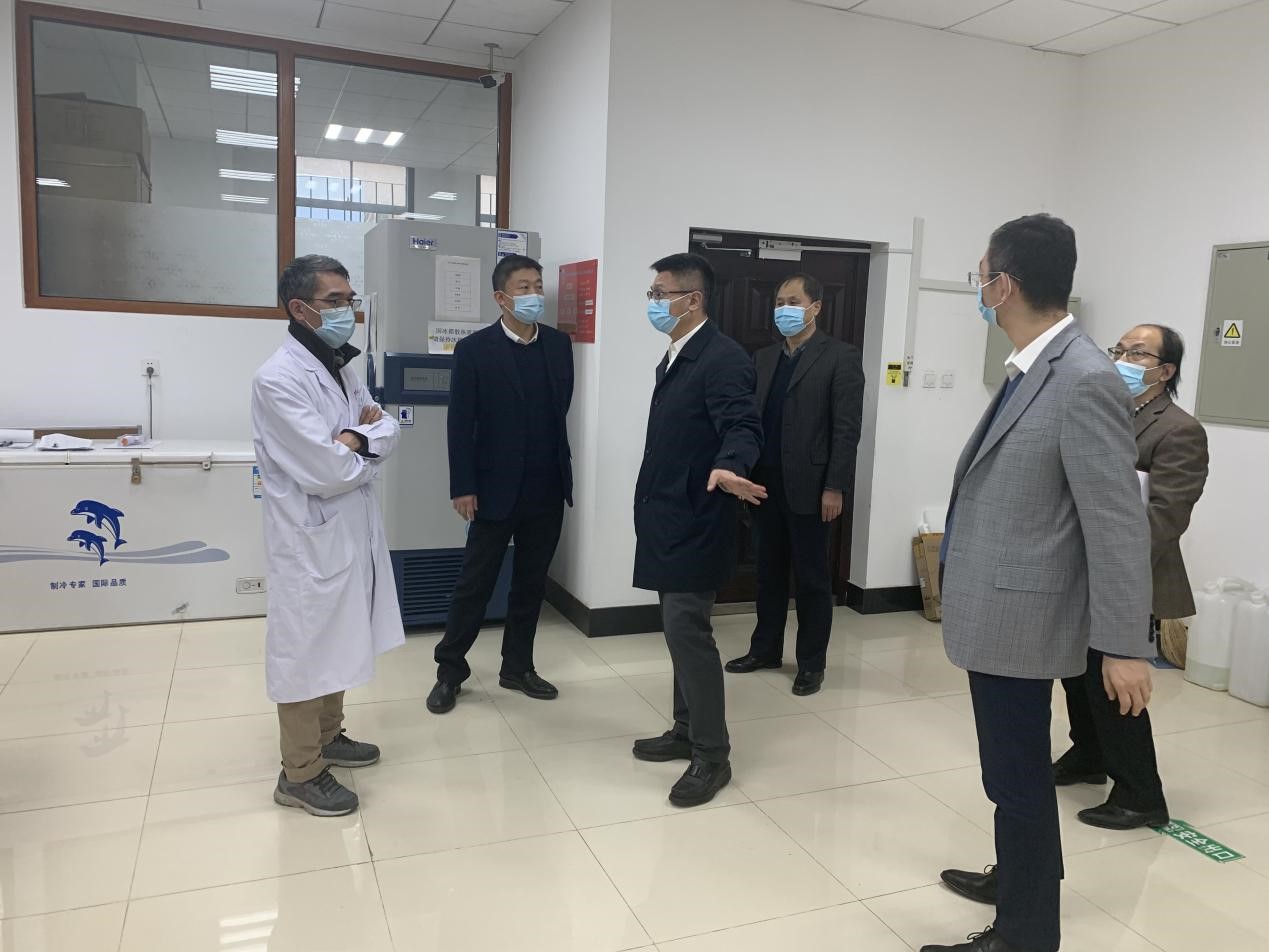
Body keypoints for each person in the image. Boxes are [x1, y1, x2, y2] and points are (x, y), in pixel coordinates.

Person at [924, 215, 1153, 952]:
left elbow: (1115, 523)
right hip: (1001, 611)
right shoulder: (1034, 365)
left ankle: (1024, 934)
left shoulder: (1082, 378)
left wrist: (1124, 646)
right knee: (1013, 774)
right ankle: (1021, 878)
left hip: (1022, 619)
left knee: (1014, 778)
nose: (978, 288)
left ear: (1004, 285)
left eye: (980, 275)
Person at [252, 254, 403, 817]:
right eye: (335, 301)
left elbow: (385, 425)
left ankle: (329, 735)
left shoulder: (339, 367)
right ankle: (299, 772)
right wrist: (361, 442)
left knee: (340, 636)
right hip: (308, 537)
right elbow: (326, 470)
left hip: (347, 529)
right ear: (300, 309)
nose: (348, 311)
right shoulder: (278, 379)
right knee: (305, 649)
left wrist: (356, 438)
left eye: (349, 300)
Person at [1052, 323, 1209, 830]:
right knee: (1077, 673)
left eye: (1137, 354)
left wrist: (1111, 556)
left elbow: (1166, 517)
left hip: (1128, 577)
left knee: (1115, 681)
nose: (1121, 359)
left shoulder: (1179, 430)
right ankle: (1089, 755)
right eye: (1118, 350)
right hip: (1082, 569)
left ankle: (1141, 794)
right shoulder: (1108, 412)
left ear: (1165, 371)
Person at [630, 253, 765, 808]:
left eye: (661, 294)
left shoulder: (722, 357)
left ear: (693, 300)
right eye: (653, 294)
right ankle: (685, 729)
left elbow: (743, 424)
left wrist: (731, 464)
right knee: (676, 629)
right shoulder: (677, 354)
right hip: (667, 515)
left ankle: (712, 754)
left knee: (689, 631)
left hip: (696, 518)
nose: (654, 303)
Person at [426, 254, 574, 715]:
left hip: (547, 486)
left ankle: (518, 667)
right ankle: (450, 672)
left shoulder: (558, 345)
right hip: (492, 490)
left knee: (530, 584)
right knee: (475, 583)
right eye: (524, 287)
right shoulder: (475, 349)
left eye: (538, 286)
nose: (534, 295)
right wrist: (462, 486)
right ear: (501, 297)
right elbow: (460, 424)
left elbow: (560, 409)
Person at [725, 273, 864, 696]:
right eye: (779, 301)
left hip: (812, 486)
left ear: (815, 307)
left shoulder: (840, 357)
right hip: (764, 485)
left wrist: (835, 486)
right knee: (768, 574)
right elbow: (750, 419)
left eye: (793, 301)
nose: (783, 309)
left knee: (812, 579)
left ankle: (811, 664)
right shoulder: (764, 358)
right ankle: (765, 649)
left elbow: (846, 429)